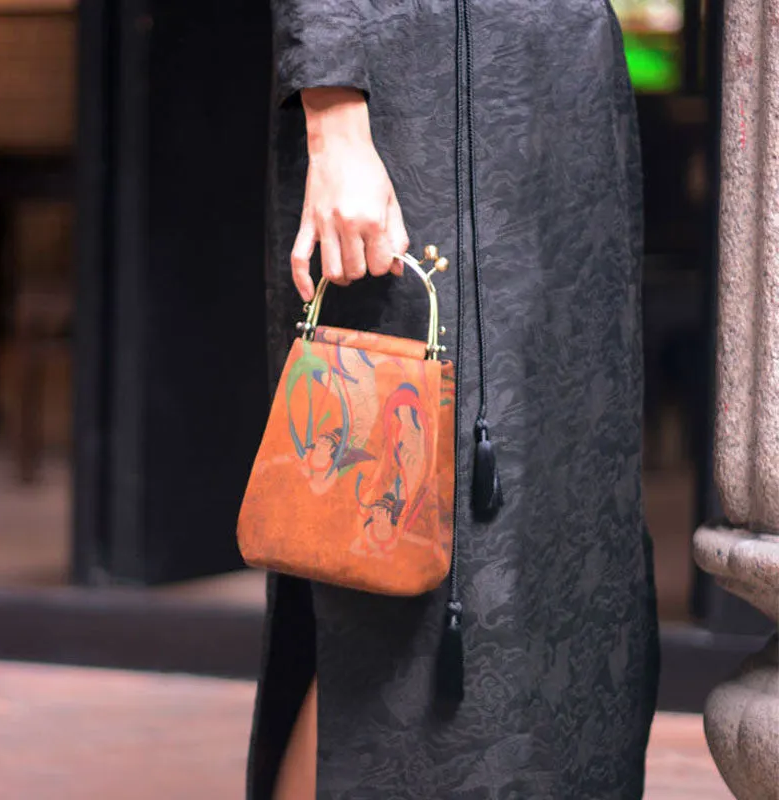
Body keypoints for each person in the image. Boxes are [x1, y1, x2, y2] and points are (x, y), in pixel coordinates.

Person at [248, 2, 660, 798]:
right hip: (416, 100)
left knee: (558, 551)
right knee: (390, 551)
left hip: (562, 100)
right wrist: (334, 121)